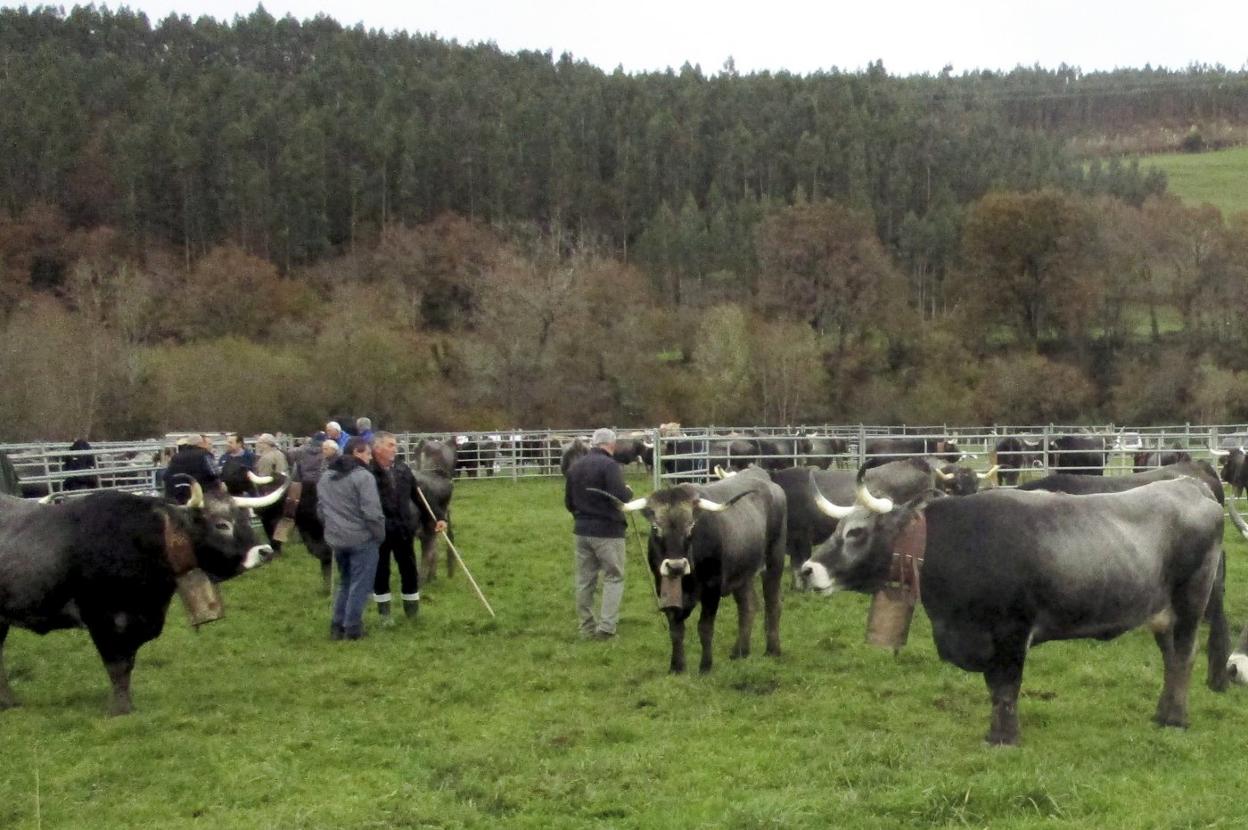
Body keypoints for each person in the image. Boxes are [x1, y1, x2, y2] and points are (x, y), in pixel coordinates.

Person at [370, 431, 447, 625]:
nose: (395, 448)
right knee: (381, 571)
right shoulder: (368, 473)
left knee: (409, 570)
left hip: (404, 528)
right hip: (379, 530)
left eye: (395, 445)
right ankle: (384, 615)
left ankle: (412, 612)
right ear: (377, 448)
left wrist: (438, 517)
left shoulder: (403, 470)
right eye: (390, 445)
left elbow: (420, 497)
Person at [564, 427, 632, 640]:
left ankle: (586, 628)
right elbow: (620, 497)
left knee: (585, 580)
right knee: (614, 576)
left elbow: (568, 502)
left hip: (581, 530)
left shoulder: (576, 466)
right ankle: (606, 628)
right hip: (608, 531)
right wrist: (628, 491)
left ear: (593, 443)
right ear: (611, 445)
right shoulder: (609, 465)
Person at [317, 437, 385, 640]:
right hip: (361, 538)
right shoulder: (363, 477)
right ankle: (353, 628)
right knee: (360, 584)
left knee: (345, 582)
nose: (370, 458)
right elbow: (372, 512)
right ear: (356, 452)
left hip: (336, 539)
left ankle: (337, 626)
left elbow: (321, 510)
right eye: (367, 453)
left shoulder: (326, 476)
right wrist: (379, 535)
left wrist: (332, 529)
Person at [293, 437, 337, 594]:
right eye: (323, 448)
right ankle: (328, 583)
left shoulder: (336, 463)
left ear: (333, 449)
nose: (323, 452)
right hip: (317, 504)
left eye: (326, 449)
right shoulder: (323, 462)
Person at [254, 433, 290, 553]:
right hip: (283, 490)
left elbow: (262, 477)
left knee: (268, 519)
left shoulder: (266, 458)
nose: (258, 445)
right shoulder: (280, 454)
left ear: (266, 444)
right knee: (280, 518)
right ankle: (279, 543)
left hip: (269, 492)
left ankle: (274, 545)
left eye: (260, 443)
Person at [163, 434, 220, 502]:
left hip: (179, 497)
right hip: (201, 496)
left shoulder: (176, 457)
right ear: (200, 443)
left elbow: (166, 476)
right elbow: (215, 473)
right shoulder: (205, 454)